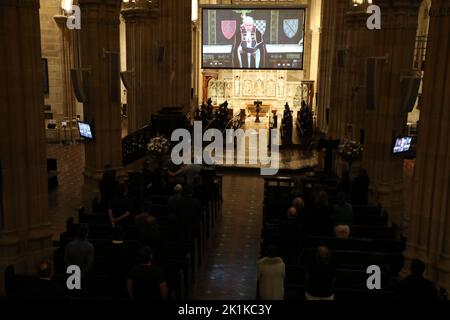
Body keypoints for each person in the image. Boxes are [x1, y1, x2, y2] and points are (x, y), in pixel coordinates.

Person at [107, 226, 131, 298]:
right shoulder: (127, 248)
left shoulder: (108, 247)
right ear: (123, 235)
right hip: (123, 277)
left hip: (111, 276)